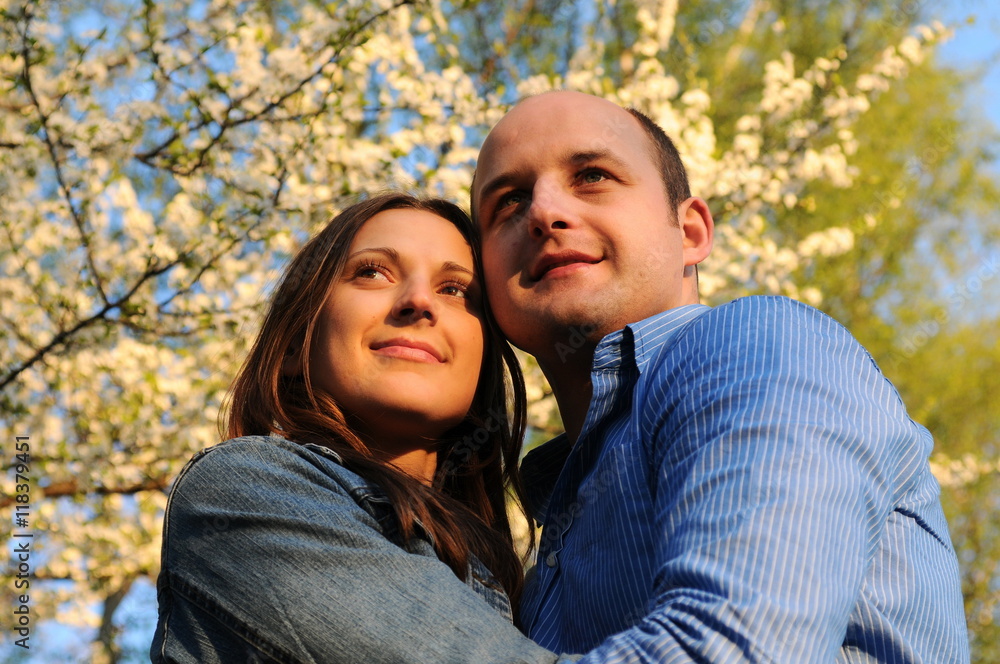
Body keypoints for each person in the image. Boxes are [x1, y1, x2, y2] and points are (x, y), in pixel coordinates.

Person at [471, 90, 970, 663]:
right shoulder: (544, 554)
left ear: (690, 234)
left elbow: (739, 649)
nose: (544, 213)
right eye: (508, 202)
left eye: (592, 176)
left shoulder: (755, 343)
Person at [150, 193, 577, 663]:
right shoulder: (241, 489)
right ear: (295, 341)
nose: (418, 301)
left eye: (455, 289)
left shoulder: (526, 585)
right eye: (372, 272)